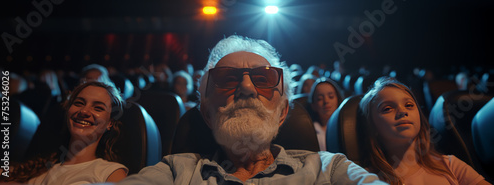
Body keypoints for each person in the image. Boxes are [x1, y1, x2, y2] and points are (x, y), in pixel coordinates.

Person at [118, 35, 385, 184]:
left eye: (263, 79)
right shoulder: (176, 172)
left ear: (282, 113)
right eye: (227, 79)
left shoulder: (327, 169)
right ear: (207, 114)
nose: (246, 88)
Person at [358, 76, 489, 185]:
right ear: (372, 126)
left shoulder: (450, 165)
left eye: (409, 105)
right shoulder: (368, 179)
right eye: (387, 109)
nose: (402, 112)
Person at [0, 81, 128, 184]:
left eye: (98, 108)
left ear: (110, 123)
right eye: (79, 103)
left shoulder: (111, 172)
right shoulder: (40, 170)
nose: (84, 111)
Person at [308, 77, 344, 151]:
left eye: (331, 97)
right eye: (320, 99)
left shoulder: (347, 128)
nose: (326, 101)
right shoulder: (310, 132)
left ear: (338, 100)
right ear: (313, 105)